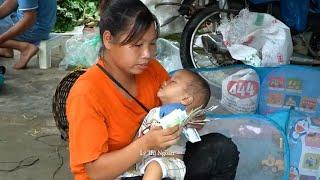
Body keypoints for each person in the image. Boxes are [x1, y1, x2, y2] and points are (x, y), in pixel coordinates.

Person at [66, 0, 239, 180]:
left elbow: (178, 105)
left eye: (152, 44)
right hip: (117, 174)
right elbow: (96, 172)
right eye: (137, 45)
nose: (147, 54)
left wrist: (191, 117)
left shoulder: (151, 69)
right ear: (108, 39)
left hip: (155, 160)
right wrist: (146, 144)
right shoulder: (86, 93)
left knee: (221, 148)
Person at [134, 69, 211, 180]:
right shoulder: (154, 112)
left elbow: (195, 122)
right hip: (143, 159)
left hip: (169, 162)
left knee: (155, 166)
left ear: (185, 99)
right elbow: (140, 134)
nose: (165, 82)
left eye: (172, 82)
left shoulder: (182, 116)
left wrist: (192, 120)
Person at [0, 0, 57, 69]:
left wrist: (1, 39)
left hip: (34, 30)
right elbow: (13, 1)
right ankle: (6, 49)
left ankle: (24, 47)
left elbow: (29, 20)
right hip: (43, 25)